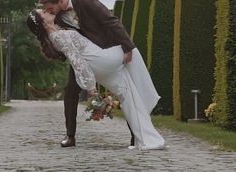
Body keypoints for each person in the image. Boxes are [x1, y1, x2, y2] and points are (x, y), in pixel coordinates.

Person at [27, 8, 166, 151]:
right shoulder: (58, 37)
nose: (46, 10)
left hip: (99, 66)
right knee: (131, 51)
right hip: (101, 60)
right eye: (43, 12)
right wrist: (90, 87)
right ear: (43, 22)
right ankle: (149, 100)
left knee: (129, 95)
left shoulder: (56, 31)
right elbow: (77, 62)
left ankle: (145, 138)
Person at [38, 0, 135, 148]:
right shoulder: (56, 16)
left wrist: (127, 47)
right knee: (70, 91)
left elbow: (111, 21)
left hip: (103, 51)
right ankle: (70, 136)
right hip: (81, 57)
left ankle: (135, 134)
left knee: (121, 90)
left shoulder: (86, 0)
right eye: (46, 9)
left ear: (61, 0)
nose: (49, 12)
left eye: (50, 8)